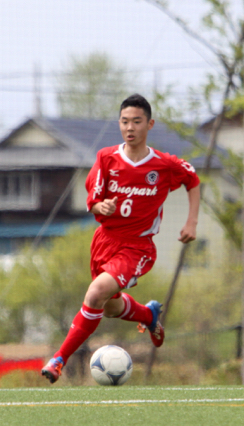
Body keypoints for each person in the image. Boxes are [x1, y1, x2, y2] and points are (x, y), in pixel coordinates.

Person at [41, 93, 201, 384]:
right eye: (125, 121)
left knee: (95, 292)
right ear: (119, 124)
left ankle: (58, 360)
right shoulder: (106, 158)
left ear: (149, 124)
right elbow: (94, 200)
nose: (130, 127)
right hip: (104, 241)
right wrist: (100, 206)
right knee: (110, 306)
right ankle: (148, 315)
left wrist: (191, 221)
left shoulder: (164, 165)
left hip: (137, 246)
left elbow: (192, 179)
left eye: (137, 121)